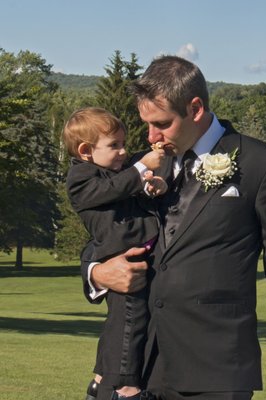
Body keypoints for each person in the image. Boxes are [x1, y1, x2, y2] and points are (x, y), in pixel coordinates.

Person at [81, 55, 266, 400]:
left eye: (161, 123)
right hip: (130, 365)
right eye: (146, 124)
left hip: (214, 369)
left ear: (196, 108)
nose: (151, 136)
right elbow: (105, 230)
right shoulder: (138, 167)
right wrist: (97, 273)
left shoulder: (261, 165)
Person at [63, 107, 167, 400]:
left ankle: (100, 379)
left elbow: (132, 194)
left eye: (123, 143)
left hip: (140, 255)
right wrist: (140, 167)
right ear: (85, 151)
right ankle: (126, 388)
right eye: (115, 145)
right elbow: (112, 189)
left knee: (123, 321)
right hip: (122, 261)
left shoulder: (114, 172)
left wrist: (153, 185)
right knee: (130, 322)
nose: (123, 151)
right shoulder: (82, 178)